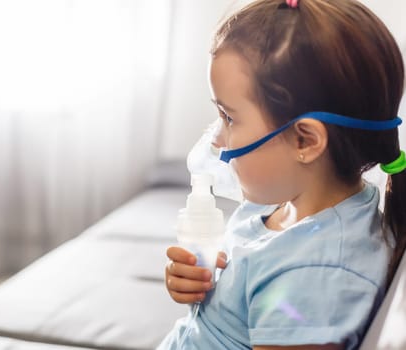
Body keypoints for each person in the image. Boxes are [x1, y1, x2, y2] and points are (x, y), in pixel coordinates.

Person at [158, 0, 406, 349]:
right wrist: (200, 287)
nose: (216, 138)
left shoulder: (315, 277)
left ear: (305, 140)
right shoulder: (282, 204)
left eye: (230, 118)